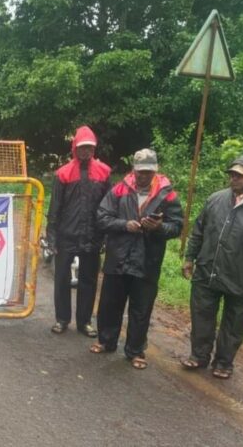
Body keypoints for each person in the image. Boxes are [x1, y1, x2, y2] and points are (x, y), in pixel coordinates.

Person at [180, 155, 243, 379]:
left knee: (235, 322)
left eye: (240, 176)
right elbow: (198, 230)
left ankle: (224, 362)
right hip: (208, 269)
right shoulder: (216, 199)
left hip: (242, 276)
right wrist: (190, 257)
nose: (234, 179)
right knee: (202, 314)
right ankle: (199, 355)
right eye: (232, 174)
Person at [90, 149, 182, 370]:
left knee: (141, 308)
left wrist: (159, 227)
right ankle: (106, 340)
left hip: (147, 260)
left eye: (148, 172)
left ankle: (135, 351)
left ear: (155, 171)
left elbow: (177, 226)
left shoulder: (167, 194)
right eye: (140, 172)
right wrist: (124, 225)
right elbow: (102, 217)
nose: (143, 176)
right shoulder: (119, 190)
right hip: (118, 256)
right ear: (134, 170)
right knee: (110, 303)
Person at [45, 125, 111, 337]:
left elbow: (109, 207)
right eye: (82, 147)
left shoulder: (104, 172)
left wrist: (106, 237)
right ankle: (62, 319)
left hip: (92, 236)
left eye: (90, 148)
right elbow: (54, 207)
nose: (86, 152)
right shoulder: (63, 173)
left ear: (94, 149)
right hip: (67, 235)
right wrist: (52, 237)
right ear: (75, 148)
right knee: (62, 278)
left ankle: (84, 322)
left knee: (89, 281)